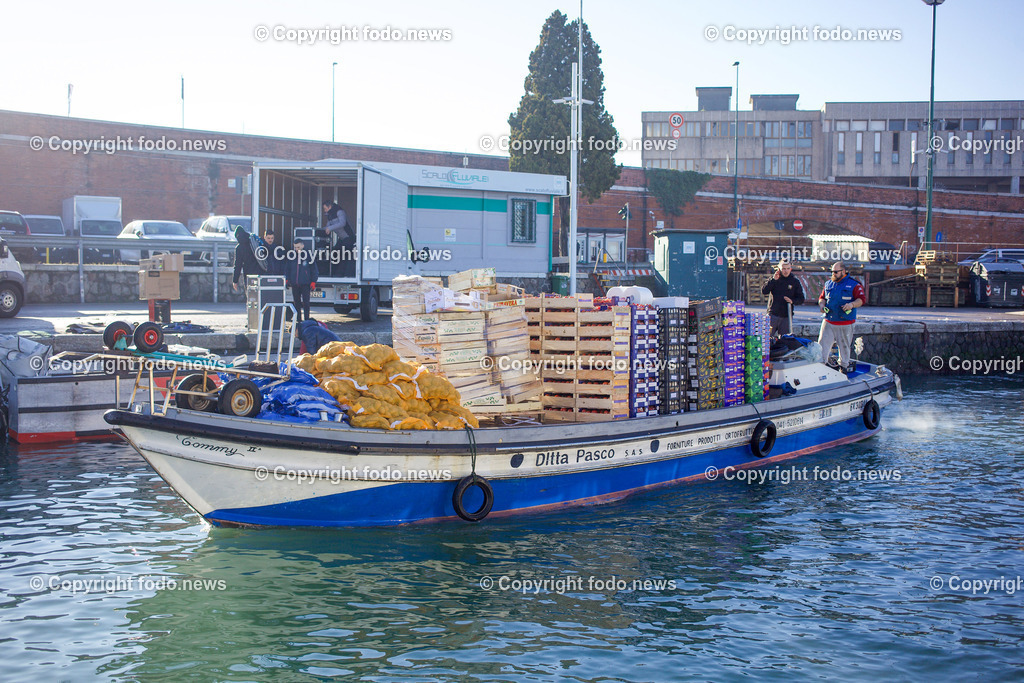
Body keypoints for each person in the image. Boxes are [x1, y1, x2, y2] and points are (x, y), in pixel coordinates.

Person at [817, 262, 865, 373]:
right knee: (822, 346)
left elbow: (861, 299)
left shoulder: (854, 284)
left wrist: (851, 305)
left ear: (843, 272)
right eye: (832, 271)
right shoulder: (829, 284)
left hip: (845, 323)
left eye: (835, 272)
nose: (833, 274)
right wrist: (822, 305)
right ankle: (820, 369)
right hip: (829, 321)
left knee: (844, 348)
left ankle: (843, 369)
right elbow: (822, 297)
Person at [761, 260, 805, 337]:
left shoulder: (794, 281)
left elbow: (801, 299)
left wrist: (792, 301)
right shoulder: (774, 279)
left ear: (790, 269)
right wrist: (773, 280)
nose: (786, 271)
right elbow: (764, 291)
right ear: (779, 269)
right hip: (773, 314)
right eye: (784, 269)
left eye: (788, 268)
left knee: (785, 340)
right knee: (766, 338)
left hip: (786, 316)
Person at [286, 239, 319, 322]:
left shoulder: (308, 256)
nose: (297, 249)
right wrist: (287, 279)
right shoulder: (291, 256)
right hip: (295, 284)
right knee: (296, 303)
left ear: (303, 246)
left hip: (305, 283)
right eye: (295, 247)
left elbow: (314, 269)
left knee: (306, 303)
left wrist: (313, 281)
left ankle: (307, 319)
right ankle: (298, 320)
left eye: (298, 247)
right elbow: (287, 269)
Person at [323, 200, 356, 277]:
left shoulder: (340, 212)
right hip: (342, 238)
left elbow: (342, 223)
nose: (324, 210)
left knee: (345, 255)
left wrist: (330, 228)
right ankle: (335, 274)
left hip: (349, 237)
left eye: (325, 208)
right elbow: (328, 226)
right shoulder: (329, 215)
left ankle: (344, 275)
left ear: (330, 206)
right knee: (335, 253)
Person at [232, 226, 266, 292]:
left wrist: (235, 281)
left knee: (251, 296)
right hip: (261, 273)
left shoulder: (239, 248)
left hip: (249, 275)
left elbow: (238, 265)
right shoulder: (253, 242)